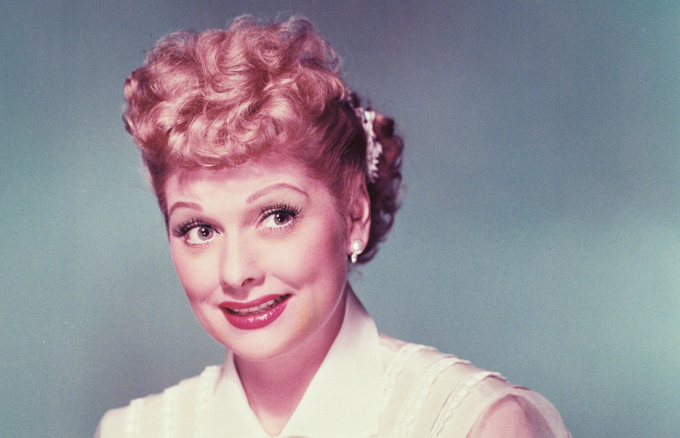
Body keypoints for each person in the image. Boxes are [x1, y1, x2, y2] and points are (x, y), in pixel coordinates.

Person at [95, 16, 571, 438]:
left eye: (277, 216)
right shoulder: (131, 432)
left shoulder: (475, 423)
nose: (236, 272)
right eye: (199, 229)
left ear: (355, 215)